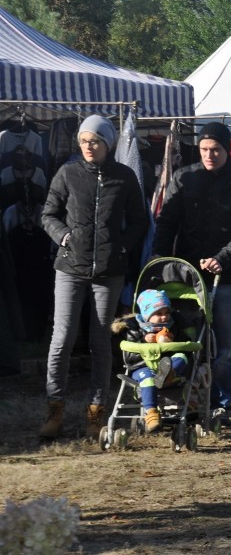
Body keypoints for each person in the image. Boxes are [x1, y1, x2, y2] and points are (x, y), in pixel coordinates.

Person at [39, 115, 148, 439]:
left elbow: (140, 221)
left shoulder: (124, 177)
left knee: (100, 342)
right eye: (85, 140)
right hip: (70, 268)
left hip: (108, 272)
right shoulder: (68, 173)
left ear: (108, 144)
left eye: (95, 141)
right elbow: (48, 213)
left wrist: (123, 249)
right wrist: (63, 236)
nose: (89, 146)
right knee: (62, 340)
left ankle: (96, 413)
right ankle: (54, 409)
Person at [152, 122, 231, 418]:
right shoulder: (184, 177)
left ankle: (221, 401)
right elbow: (166, 221)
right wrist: (160, 258)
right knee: (184, 339)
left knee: (224, 346)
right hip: (185, 276)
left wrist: (223, 257)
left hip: (226, 276)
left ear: (227, 150)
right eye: (204, 149)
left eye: (215, 149)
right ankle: (186, 397)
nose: (209, 155)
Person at [113, 289, 189, 432]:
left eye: (167, 312)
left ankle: (168, 375)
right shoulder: (134, 328)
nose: (164, 317)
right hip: (142, 367)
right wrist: (143, 342)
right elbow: (130, 357)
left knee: (182, 356)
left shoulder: (174, 326)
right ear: (147, 315)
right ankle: (152, 413)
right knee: (148, 379)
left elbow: (186, 344)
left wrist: (172, 342)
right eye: (159, 314)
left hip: (167, 365)